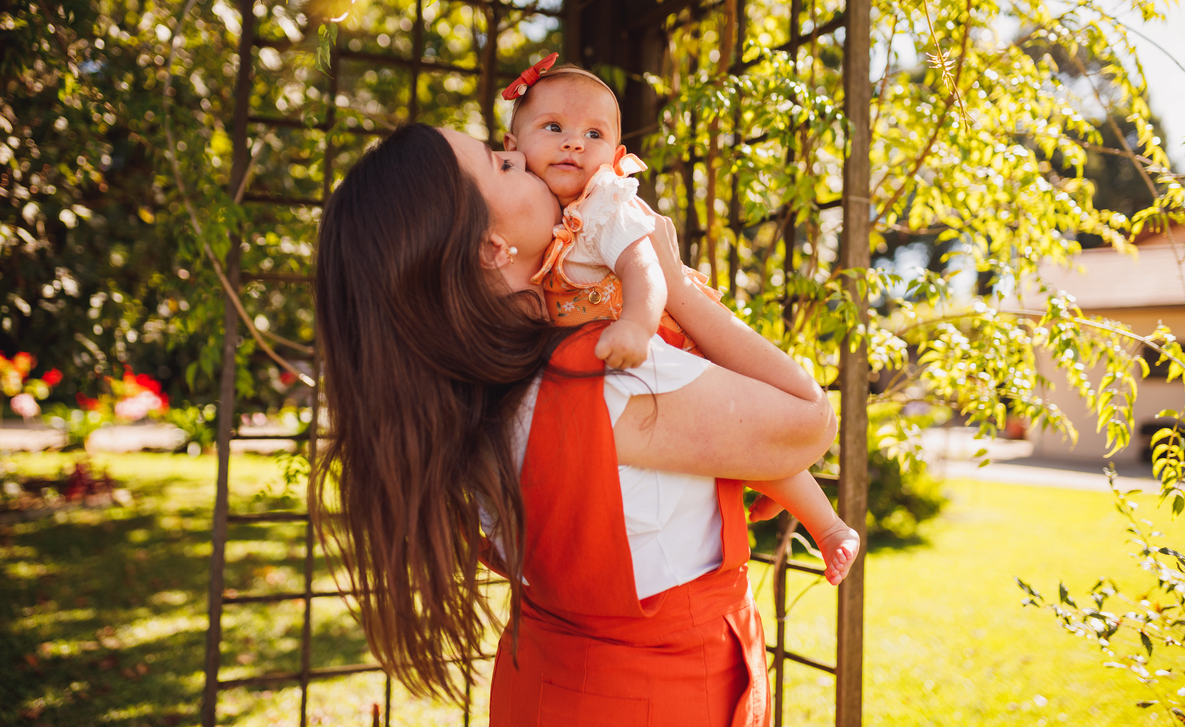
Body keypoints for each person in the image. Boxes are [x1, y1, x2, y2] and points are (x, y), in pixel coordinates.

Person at [312, 122, 840, 726]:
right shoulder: (602, 374)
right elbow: (810, 422)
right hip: (660, 700)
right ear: (491, 247)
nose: (520, 156)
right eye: (500, 164)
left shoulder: (467, 397)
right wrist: (673, 283)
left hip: (546, 690)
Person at [502, 55, 858, 585]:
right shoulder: (537, 218)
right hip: (609, 356)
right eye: (554, 127)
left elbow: (643, 269)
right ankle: (775, 476)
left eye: (593, 134)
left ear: (617, 157)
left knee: (754, 427)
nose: (574, 142)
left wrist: (638, 326)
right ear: (512, 148)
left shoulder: (605, 205)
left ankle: (827, 527)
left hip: (659, 334)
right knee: (729, 443)